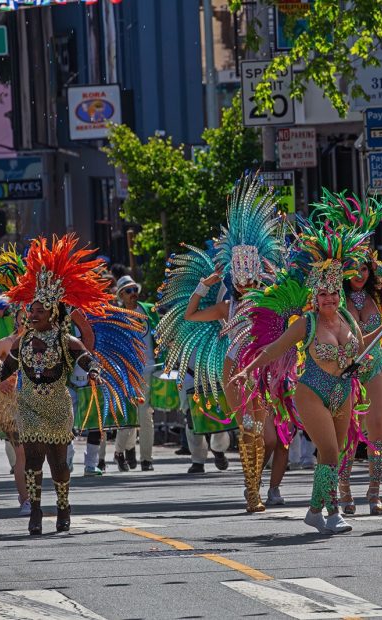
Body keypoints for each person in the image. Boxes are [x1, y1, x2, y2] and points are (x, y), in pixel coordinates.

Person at [233, 223, 382, 534]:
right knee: (331, 451)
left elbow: (361, 347)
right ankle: (333, 513)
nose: (329, 300)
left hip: (342, 390)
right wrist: (246, 369)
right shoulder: (305, 323)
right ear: (315, 296)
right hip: (311, 392)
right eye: (322, 294)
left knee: (333, 453)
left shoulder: (348, 318)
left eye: (333, 294)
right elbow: (273, 349)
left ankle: (313, 511)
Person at [0, 235, 144, 536]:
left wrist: (95, 371)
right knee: (32, 459)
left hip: (58, 406)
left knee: (59, 464)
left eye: (39, 311)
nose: (32, 315)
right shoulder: (24, 340)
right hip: (29, 405)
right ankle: (34, 510)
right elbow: (10, 364)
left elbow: (86, 358)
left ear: (53, 313)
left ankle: (63, 506)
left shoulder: (64, 339)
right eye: (31, 310)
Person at [159, 172, 285, 512]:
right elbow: (189, 315)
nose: (245, 282)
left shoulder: (270, 301)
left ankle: (255, 485)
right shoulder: (225, 306)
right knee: (247, 427)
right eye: (239, 277)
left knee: (264, 433)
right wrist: (204, 284)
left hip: (265, 367)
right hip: (234, 367)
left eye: (250, 276)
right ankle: (251, 493)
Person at [310, 190, 382, 515]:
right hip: (342, 370)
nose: (359, 276)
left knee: (378, 428)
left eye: (364, 270)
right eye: (352, 270)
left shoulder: (379, 297)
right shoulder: (331, 301)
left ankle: (374, 490)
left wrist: (376, 265)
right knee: (345, 434)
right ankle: (344, 489)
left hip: (375, 364)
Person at [113, 275, 159, 471]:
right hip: (128, 372)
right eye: (129, 291)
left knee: (146, 416)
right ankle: (119, 451)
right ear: (121, 295)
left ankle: (146, 459)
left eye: (135, 290)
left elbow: (160, 333)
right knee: (130, 416)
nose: (134, 294)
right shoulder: (116, 316)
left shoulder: (148, 310)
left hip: (150, 369)